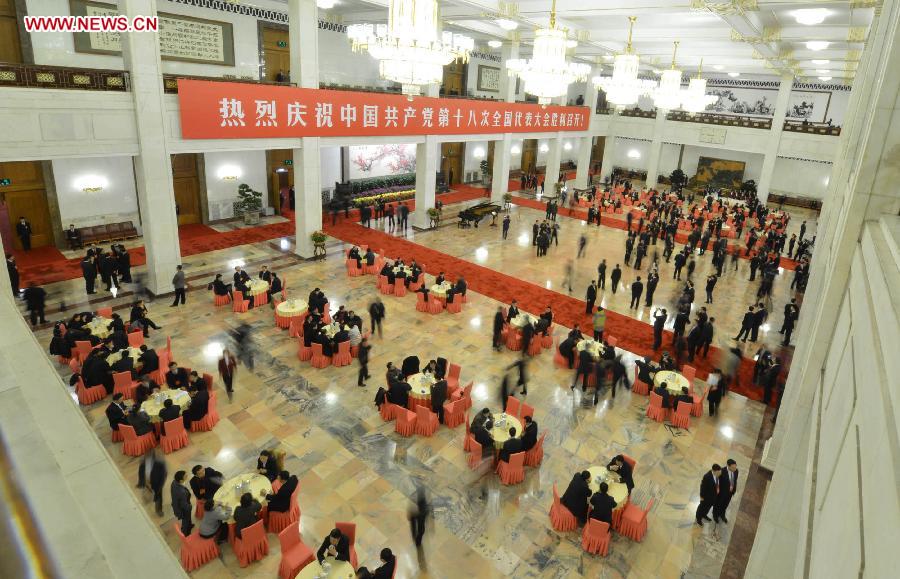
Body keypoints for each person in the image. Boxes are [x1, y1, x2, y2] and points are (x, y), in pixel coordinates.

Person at [137, 448, 167, 516]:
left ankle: (158, 510)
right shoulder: (143, 461)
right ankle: (147, 501)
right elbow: (141, 471)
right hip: (147, 482)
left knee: (158, 497)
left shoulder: (160, 463)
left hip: (157, 484)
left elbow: (163, 476)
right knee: (147, 494)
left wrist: (160, 487)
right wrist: (141, 482)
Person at [714, 459, 739, 523]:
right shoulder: (722, 471)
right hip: (722, 493)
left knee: (725, 504)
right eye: (733, 467)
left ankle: (722, 514)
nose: (735, 468)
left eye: (735, 466)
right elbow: (716, 481)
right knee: (718, 504)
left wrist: (733, 489)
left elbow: (735, 480)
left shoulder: (736, 471)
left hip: (730, 493)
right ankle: (715, 515)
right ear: (728, 466)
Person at [170, 470, 193, 536]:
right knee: (185, 520)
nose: (187, 476)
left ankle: (190, 525)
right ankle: (185, 533)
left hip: (177, 504)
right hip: (183, 509)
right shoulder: (182, 492)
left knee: (188, 518)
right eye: (185, 476)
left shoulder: (174, 482)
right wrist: (190, 506)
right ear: (181, 480)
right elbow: (184, 505)